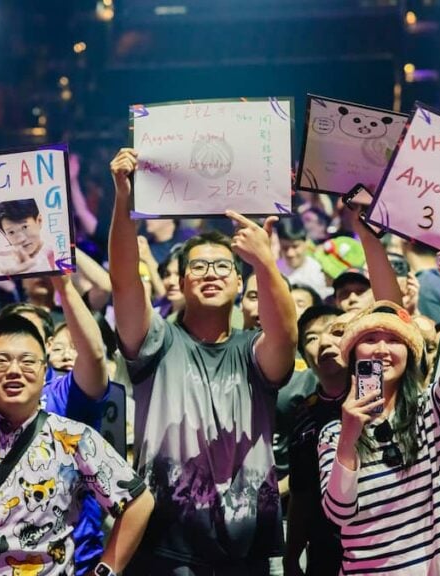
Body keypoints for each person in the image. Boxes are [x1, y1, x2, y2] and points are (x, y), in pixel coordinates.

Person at [109, 148, 298, 574]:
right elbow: (123, 282)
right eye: (199, 266)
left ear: (238, 279)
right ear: (179, 281)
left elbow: (286, 336)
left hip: (247, 542)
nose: (211, 273)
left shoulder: (253, 350)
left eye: (222, 266)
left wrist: (266, 261)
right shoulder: (156, 342)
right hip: (166, 538)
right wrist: (123, 199)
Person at [0, 269, 154, 574]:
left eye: (27, 361)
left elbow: (139, 501)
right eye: (1, 360)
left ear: (44, 369)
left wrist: (105, 571)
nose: (13, 370)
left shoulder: (72, 437)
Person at [319, 248, 440, 574]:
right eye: (370, 339)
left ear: (409, 353)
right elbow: (338, 513)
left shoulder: (428, 412)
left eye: (393, 340)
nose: (381, 349)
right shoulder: (333, 433)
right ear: (352, 355)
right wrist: (349, 435)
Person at [283, 305, 347, 576]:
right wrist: (291, 557)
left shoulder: (380, 399)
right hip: (324, 555)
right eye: (311, 338)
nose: (324, 342)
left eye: (335, 332)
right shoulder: (304, 414)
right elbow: (302, 493)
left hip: (381, 550)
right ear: (304, 359)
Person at [0, 199, 55, 275]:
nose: (21, 239)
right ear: (4, 234)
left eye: (25, 227)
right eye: (11, 232)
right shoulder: (2, 258)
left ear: (39, 221)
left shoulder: (56, 253)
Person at [276, 217, 330, 299]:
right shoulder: (274, 270)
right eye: (285, 248)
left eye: (295, 246)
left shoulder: (319, 271)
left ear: (306, 243)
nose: (290, 253)